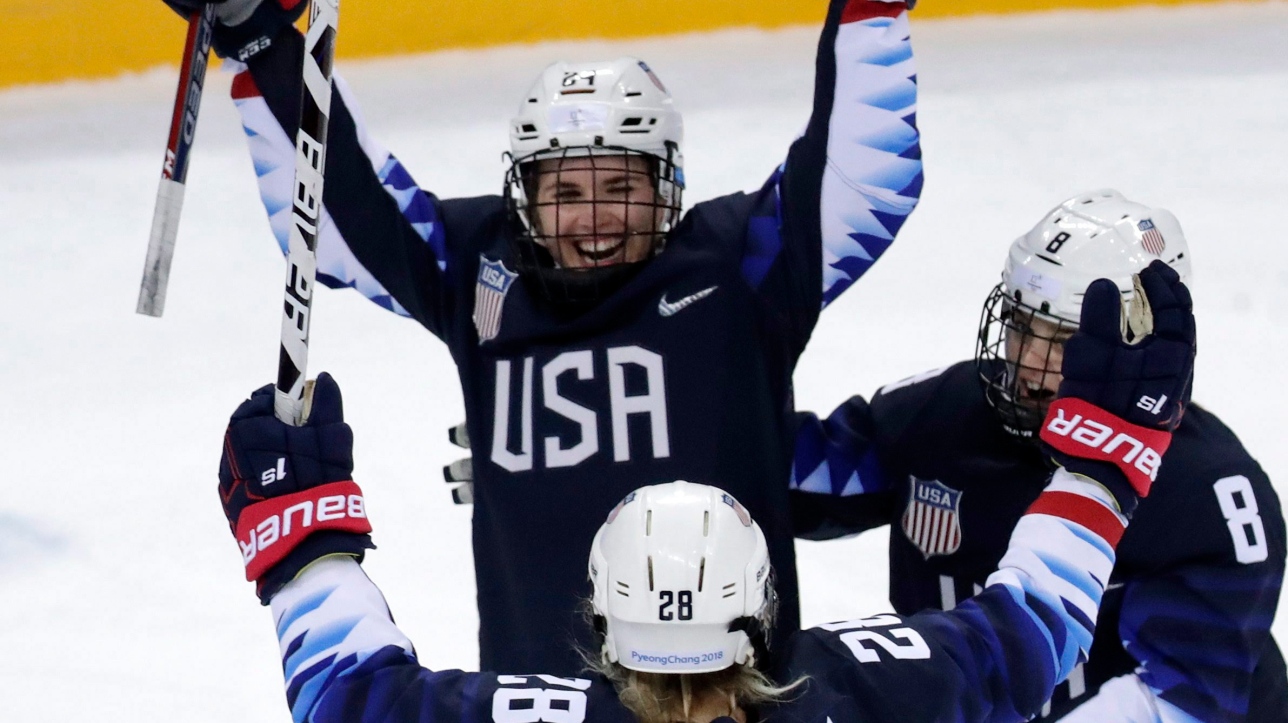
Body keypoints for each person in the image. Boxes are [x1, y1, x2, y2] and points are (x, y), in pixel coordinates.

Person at [162, 0, 923, 673]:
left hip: (727, 697)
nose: (594, 217)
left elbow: (860, 184)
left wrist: (871, 10)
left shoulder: (738, 267)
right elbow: (341, 220)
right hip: (541, 700)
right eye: (565, 191)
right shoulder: (483, 269)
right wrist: (259, 33)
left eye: (622, 186)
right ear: (524, 194)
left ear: (668, 186)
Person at [214, 258, 1198, 721]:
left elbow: (348, 699)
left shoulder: (536, 718)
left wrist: (301, 542)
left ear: (597, 627)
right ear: (761, 613)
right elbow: (1028, 633)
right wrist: (1102, 474)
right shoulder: (854, 691)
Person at [791, 190, 1287, 722]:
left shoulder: (1211, 494)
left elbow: (1179, 706)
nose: (1028, 366)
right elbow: (789, 482)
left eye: (1065, 341)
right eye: (1022, 326)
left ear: (1141, 346)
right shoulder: (937, 415)